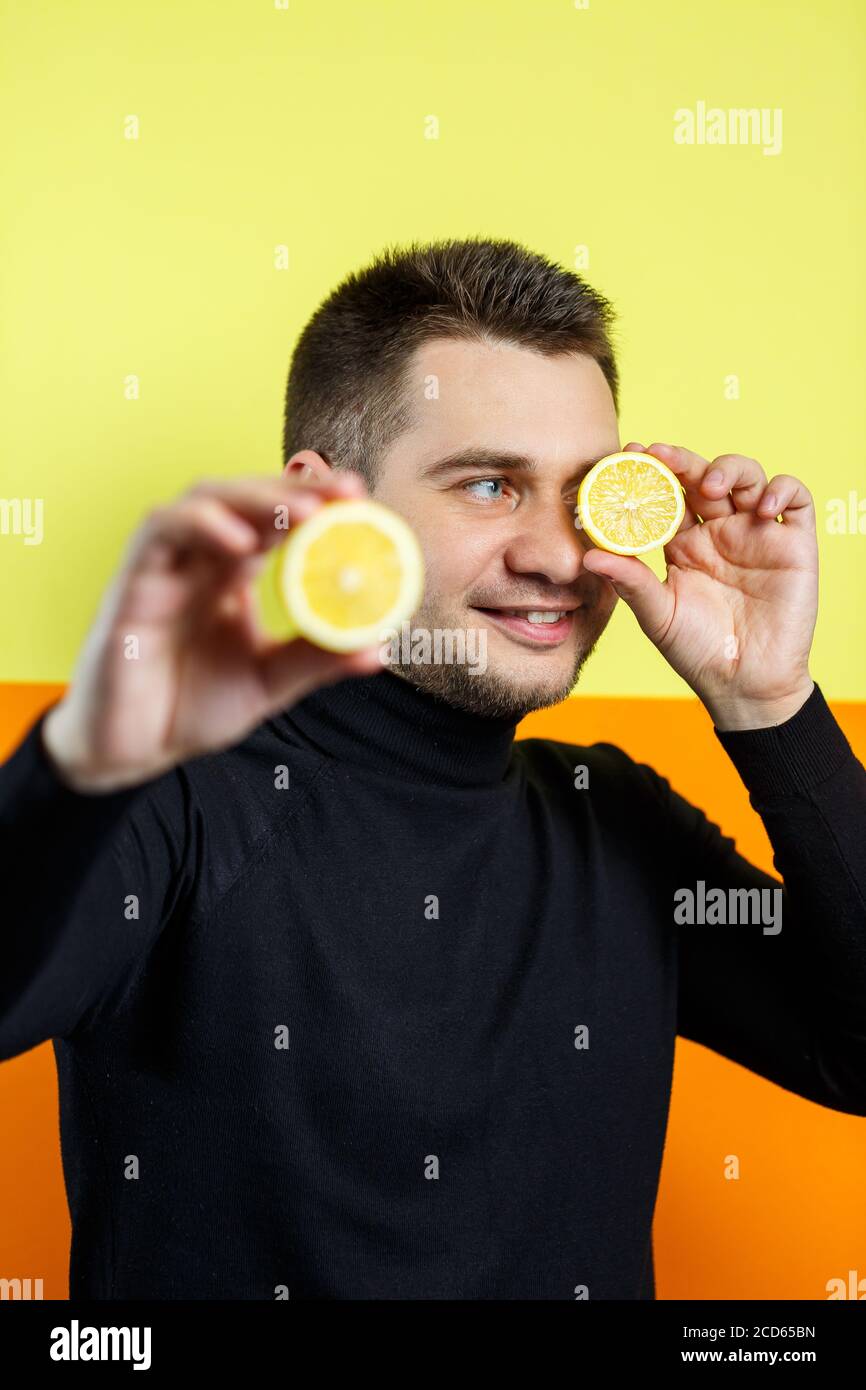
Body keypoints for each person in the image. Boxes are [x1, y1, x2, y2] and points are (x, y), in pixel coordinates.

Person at [1, 238, 864, 1301]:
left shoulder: (615, 822)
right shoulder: (175, 800)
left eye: (586, 494)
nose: (556, 556)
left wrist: (767, 702)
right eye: (491, 484)